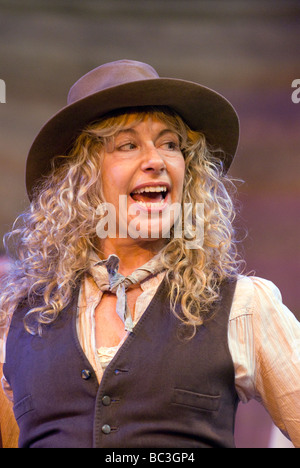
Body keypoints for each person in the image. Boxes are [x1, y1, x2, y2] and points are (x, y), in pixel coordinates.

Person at [0, 60, 299, 448]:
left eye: (170, 144)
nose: (156, 160)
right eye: (128, 145)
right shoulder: (19, 319)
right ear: (83, 177)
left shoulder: (243, 306)